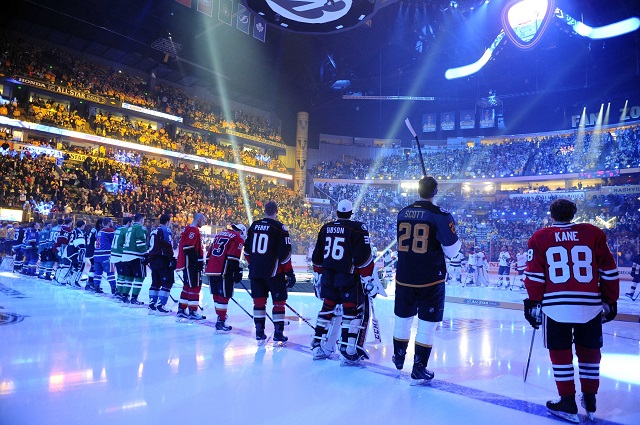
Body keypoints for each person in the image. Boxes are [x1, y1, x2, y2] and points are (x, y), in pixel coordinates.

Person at [524, 198, 619, 423]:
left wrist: (533, 302)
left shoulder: (539, 237)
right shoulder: (593, 233)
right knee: (589, 353)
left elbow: (535, 276)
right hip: (590, 305)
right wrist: (610, 300)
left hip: (555, 306)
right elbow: (609, 271)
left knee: (560, 354)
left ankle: (567, 401)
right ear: (574, 214)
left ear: (552, 215)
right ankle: (590, 398)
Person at [393, 176, 461, 385]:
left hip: (404, 275)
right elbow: (452, 251)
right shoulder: (439, 215)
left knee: (402, 320)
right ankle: (419, 367)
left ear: (418, 190)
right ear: (436, 191)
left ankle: (398, 356)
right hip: (430, 278)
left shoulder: (403, 212)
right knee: (426, 325)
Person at [310, 199, 375, 364]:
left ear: (337, 212)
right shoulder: (358, 228)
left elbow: (317, 256)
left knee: (327, 308)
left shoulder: (326, 228)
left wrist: (318, 273)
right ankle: (346, 349)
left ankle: (317, 345)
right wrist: (367, 277)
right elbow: (364, 258)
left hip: (328, 276)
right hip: (347, 277)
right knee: (350, 311)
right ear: (351, 213)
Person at [245, 201, 296, 344]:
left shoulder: (254, 225)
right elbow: (285, 254)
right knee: (279, 302)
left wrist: (253, 264)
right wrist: (290, 272)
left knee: (259, 303)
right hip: (274, 273)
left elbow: (247, 251)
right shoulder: (280, 228)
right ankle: (278, 333)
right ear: (277, 211)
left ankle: (259, 332)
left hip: (256, 272)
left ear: (264, 210)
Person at [204, 223, 247, 332]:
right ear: (241, 232)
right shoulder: (238, 238)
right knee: (224, 295)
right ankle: (221, 322)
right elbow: (233, 257)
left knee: (216, 296)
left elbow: (209, 253)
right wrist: (237, 271)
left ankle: (220, 317)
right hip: (223, 270)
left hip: (211, 269)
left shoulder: (220, 234)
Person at [176, 213, 207, 321]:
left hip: (187, 263)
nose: (204, 223)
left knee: (187, 287)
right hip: (191, 265)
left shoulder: (188, 228)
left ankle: (181, 310)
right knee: (195, 286)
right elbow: (188, 247)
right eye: (203, 221)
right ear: (199, 220)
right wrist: (197, 260)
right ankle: (193, 312)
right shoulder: (193, 230)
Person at [148, 214, 176, 315]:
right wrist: (172, 259)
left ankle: (152, 306)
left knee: (155, 282)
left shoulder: (153, 231)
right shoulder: (166, 230)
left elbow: (150, 245)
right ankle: (161, 306)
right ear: (168, 221)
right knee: (167, 282)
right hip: (162, 259)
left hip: (153, 260)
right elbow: (167, 245)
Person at [121, 214, 148, 307]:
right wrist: (146, 253)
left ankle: (124, 296)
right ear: (141, 220)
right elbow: (140, 242)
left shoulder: (129, 228)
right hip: (135, 256)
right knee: (140, 278)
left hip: (126, 256)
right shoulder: (140, 228)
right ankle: (134, 298)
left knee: (129, 277)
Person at [111, 217, 132, 301]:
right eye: (131, 222)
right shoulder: (126, 231)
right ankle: (119, 292)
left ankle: (118, 291)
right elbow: (126, 244)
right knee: (123, 275)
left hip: (114, 254)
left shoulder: (117, 230)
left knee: (120, 274)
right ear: (129, 222)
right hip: (120, 255)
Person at [94, 217, 116, 295]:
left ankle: (96, 287)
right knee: (110, 272)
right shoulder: (109, 231)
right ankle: (114, 288)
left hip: (96, 255)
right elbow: (116, 239)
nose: (113, 224)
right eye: (112, 222)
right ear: (108, 223)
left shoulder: (100, 231)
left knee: (98, 272)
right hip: (106, 255)